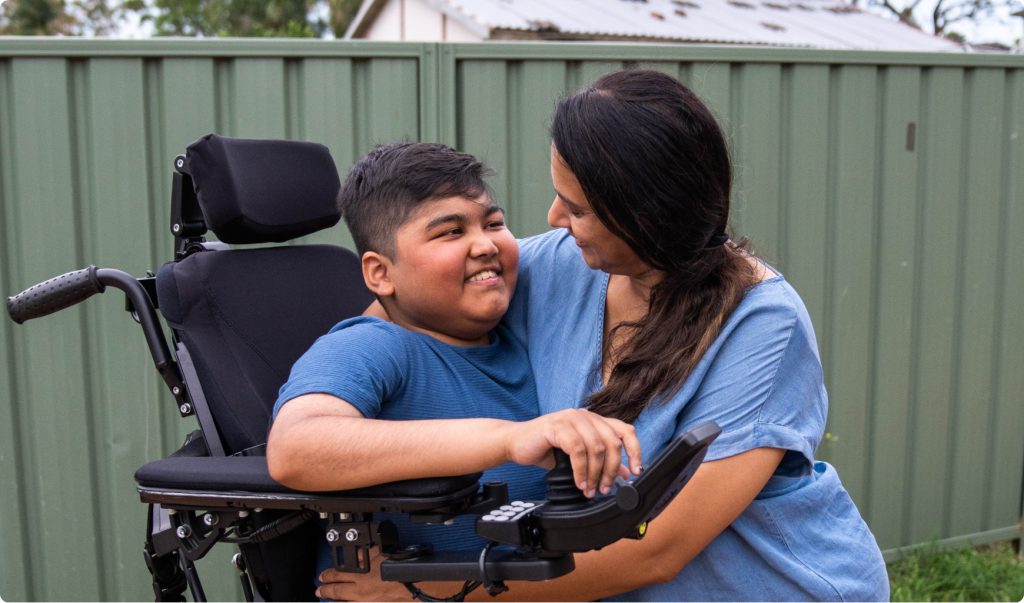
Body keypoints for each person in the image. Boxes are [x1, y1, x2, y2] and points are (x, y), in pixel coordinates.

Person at [316, 69, 890, 601]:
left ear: (641, 215)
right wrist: (333, 395)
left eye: (576, 208)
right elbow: (409, 309)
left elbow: (658, 550)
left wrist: (433, 594)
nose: (552, 219)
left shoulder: (763, 324)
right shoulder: (559, 266)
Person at [267, 142, 642, 571]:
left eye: (494, 223)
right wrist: (507, 439)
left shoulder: (523, 332)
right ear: (380, 273)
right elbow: (295, 448)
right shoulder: (373, 346)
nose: (484, 245)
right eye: (451, 231)